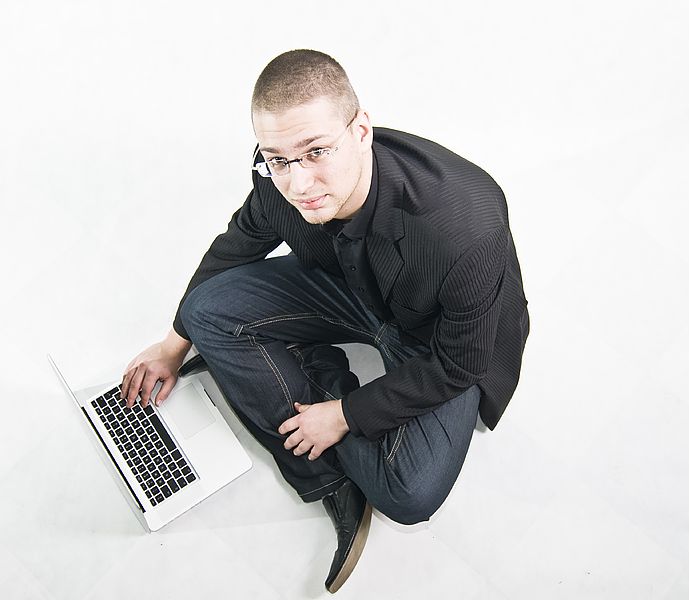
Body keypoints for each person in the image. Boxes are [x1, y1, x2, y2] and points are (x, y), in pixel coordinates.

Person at [120, 49, 529, 593]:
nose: (298, 182)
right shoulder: (278, 183)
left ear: (361, 131)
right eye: (278, 158)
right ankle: (331, 462)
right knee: (203, 313)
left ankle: (313, 403)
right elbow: (234, 248)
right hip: (351, 290)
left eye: (316, 152)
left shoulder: (463, 222)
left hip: (433, 342)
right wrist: (172, 345)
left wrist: (346, 413)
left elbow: (462, 362)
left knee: (409, 495)